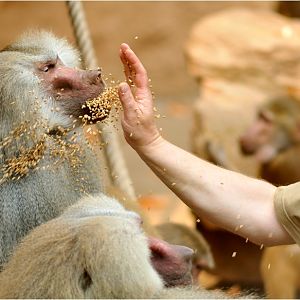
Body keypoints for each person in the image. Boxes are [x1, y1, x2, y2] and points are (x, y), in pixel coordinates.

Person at [117, 43, 299, 247]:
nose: (253, 131)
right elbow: (265, 211)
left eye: (266, 122)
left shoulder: (288, 163)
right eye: (259, 119)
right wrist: (149, 141)